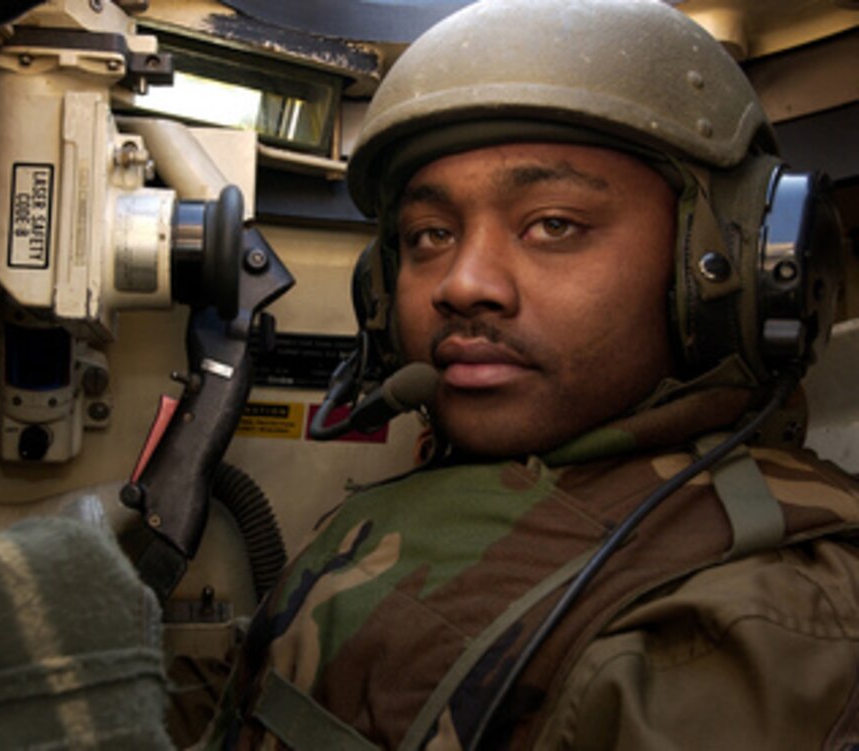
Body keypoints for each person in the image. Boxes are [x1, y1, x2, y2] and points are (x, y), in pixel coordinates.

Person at [206, 0, 859, 748]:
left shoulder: (745, 630)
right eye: (430, 235)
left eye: (553, 224)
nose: (463, 282)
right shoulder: (479, 484)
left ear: (728, 269)